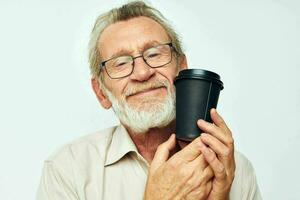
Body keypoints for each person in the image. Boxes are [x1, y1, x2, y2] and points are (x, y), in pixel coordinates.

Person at [37, 1, 262, 200]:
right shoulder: (67, 169)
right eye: (121, 63)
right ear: (101, 93)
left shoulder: (235, 168)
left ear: (182, 69)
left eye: (154, 54)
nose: (143, 73)